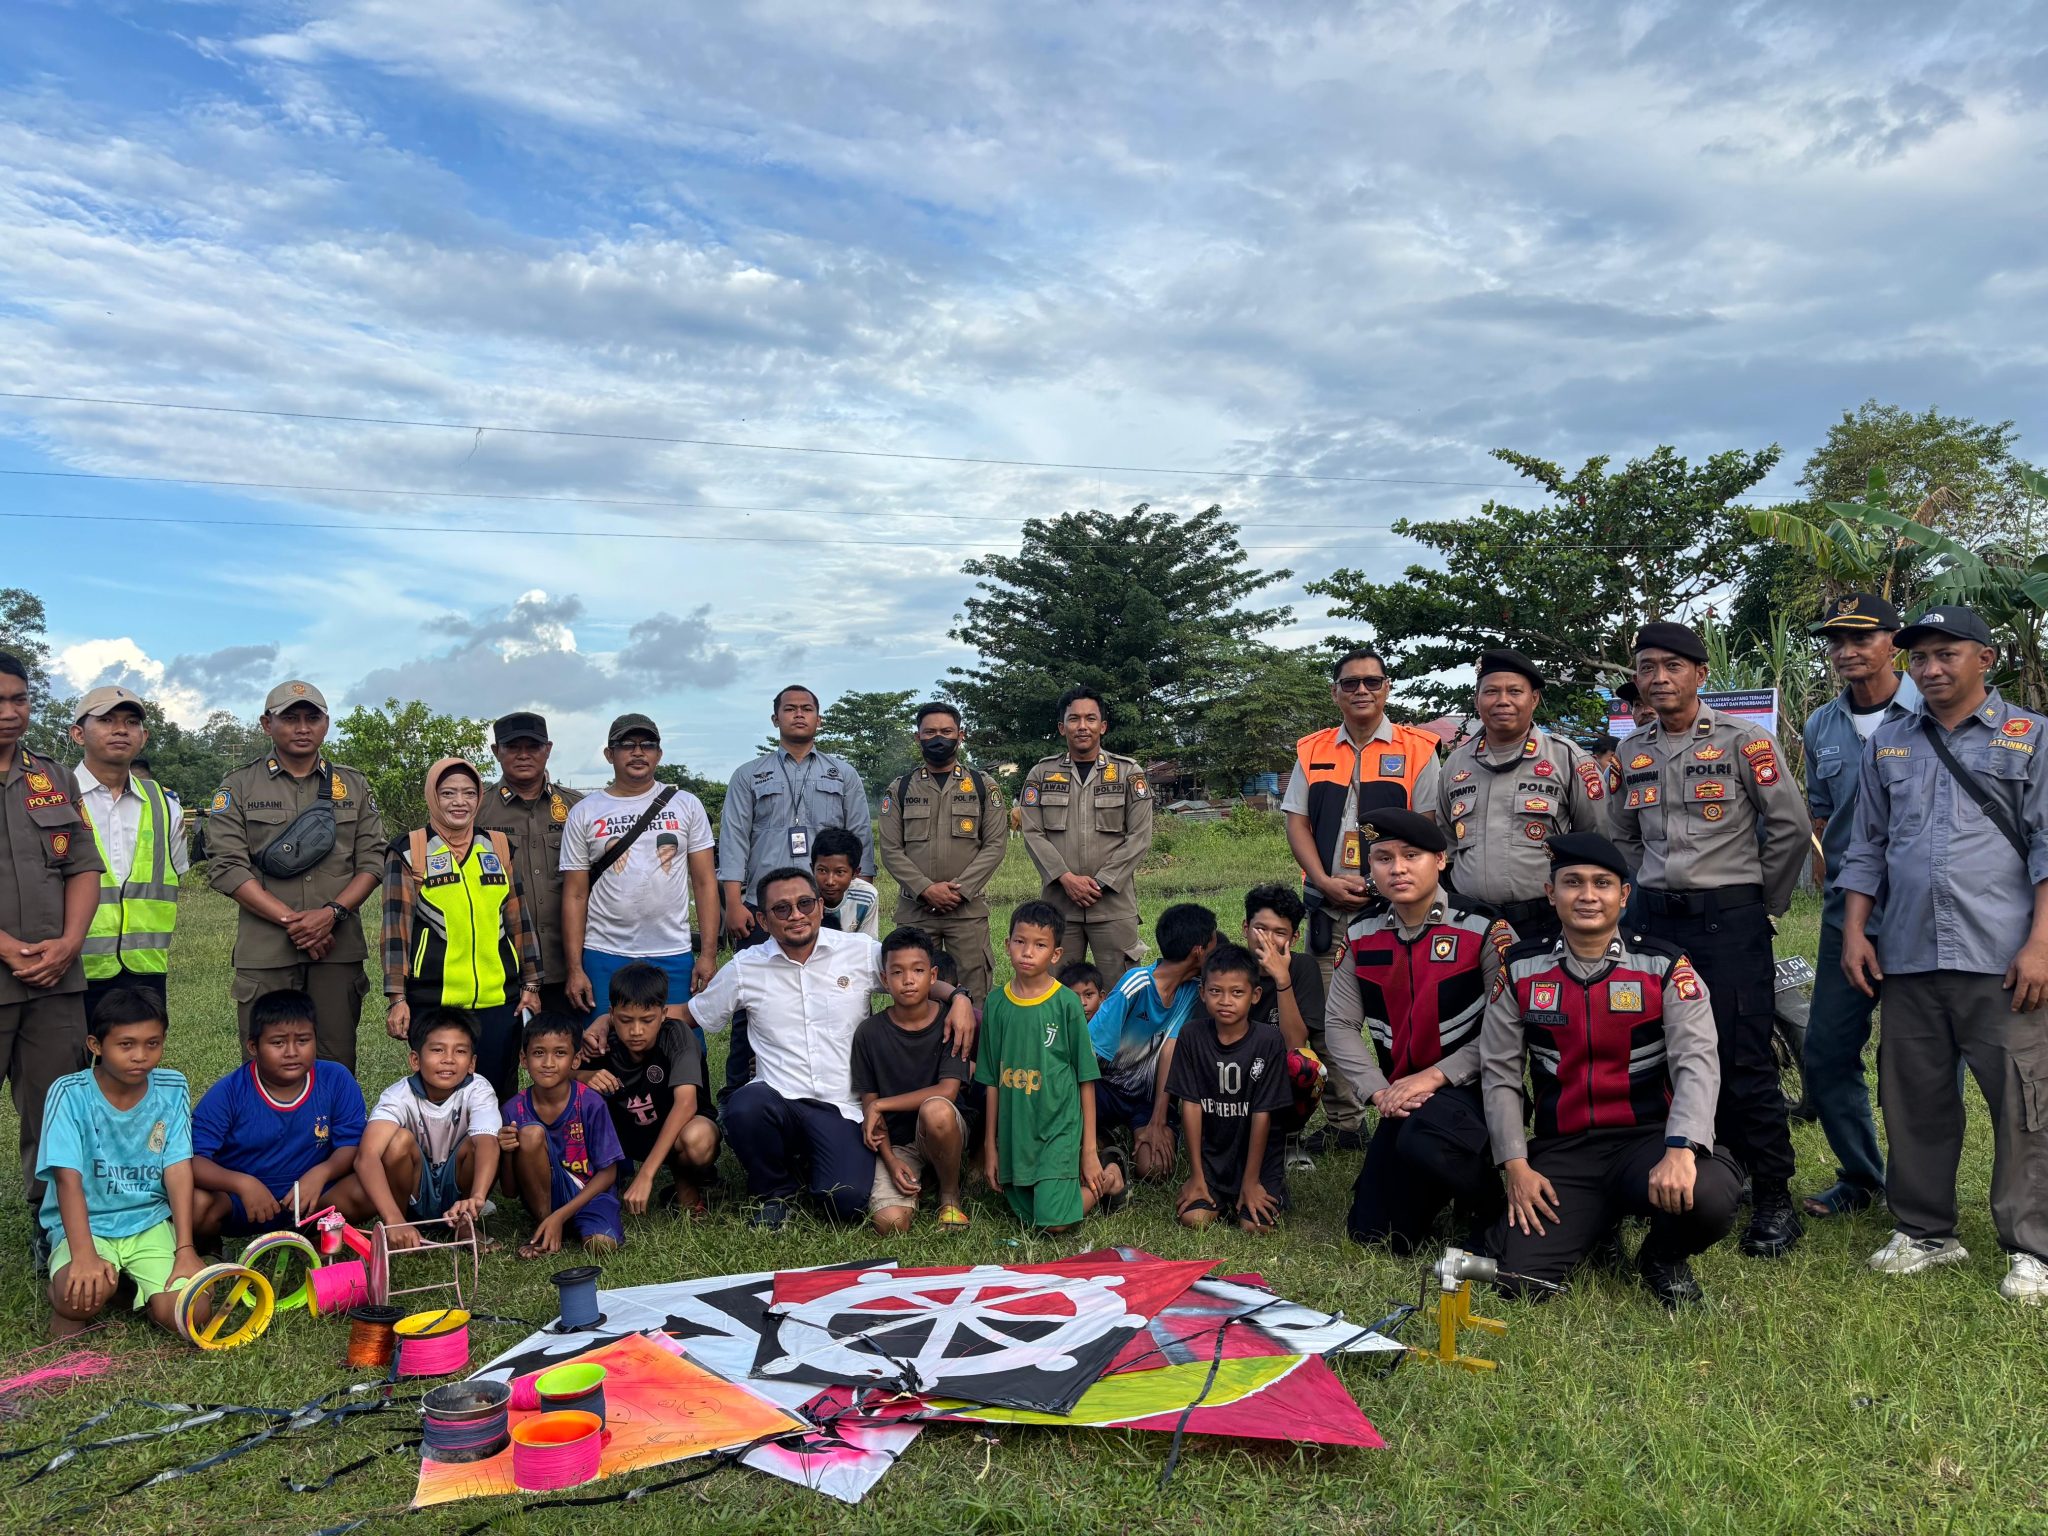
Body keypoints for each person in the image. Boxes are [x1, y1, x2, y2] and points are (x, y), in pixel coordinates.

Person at [1839, 605, 2048, 1303]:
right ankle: (1926, 1230)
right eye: (1920, 657)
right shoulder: (1890, 743)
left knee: (2024, 1105)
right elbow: (1867, 846)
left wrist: (2041, 944)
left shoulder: (2031, 738)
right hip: (1909, 954)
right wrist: (1854, 932)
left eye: (1946, 654)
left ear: (1985, 658)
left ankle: (2032, 1247)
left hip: (2004, 958)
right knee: (1915, 1100)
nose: (1930, 669)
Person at [1610, 622, 1809, 1259]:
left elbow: (1789, 826)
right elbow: (1621, 835)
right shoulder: (1630, 751)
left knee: (1743, 1058)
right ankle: (1714, 1170)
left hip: (1729, 922)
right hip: (1653, 924)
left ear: (1700, 674)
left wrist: (1762, 904)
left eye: (1673, 666)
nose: (1659, 678)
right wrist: (1637, 890)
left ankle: (1774, 1196)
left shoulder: (1744, 741)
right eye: (1647, 667)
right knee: (1665, 1052)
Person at [1482, 833, 1743, 1306]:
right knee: (1520, 1282)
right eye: (1572, 883)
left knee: (1710, 1192)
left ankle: (1662, 1257)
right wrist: (1515, 1165)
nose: (1587, 895)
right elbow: (1500, 1073)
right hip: (1565, 1150)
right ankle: (1596, 1224)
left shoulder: (1664, 965)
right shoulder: (1520, 969)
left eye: (1602, 884)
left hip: (1648, 1142)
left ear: (1624, 896)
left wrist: (1682, 1148)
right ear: (1550, 893)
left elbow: (1697, 1064)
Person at [684, 868, 977, 1230]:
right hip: (777, 1097)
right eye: (781, 909)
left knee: (846, 1201)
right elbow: (693, 1015)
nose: (796, 915)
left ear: (821, 907)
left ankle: (810, 1164)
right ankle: (775, 1193)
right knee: (745, 1107)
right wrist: (628, 1019)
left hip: (843, 1107)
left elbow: (907, 971)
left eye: (805, 904)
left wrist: (959, 998)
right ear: (763, 920)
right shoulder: (746, 967)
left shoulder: (858, 951)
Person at [1326, 810, 1513, 1254]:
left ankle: (1491, 1208)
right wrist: (1378, 1092)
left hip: (1473, 1090)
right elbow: (1339, 1024)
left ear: (1441, 860)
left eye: (1412, 856)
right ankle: (1441, 1185)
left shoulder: (1485, 928)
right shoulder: (1361, 933)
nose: (1398, 869)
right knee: (1377, 1235)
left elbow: (1507, 1031)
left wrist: (1431, 1078)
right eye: (1384, 858)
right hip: (1400, 1100)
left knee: (1425, 1141)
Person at [1284, 649, 1443, 1152]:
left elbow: (1428, 830)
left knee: (1406, 1017)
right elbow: (1297, 823)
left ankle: (1414, 1115)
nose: (1361, 691)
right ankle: (1346, 1123)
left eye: (1372, 682)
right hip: (1328, 906)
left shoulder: (1419, 749)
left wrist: (1380, 886)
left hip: (1398, 910)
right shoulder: (1311, 750)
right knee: (1330, 1018)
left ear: (1387, 688)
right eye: (1350, 683)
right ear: (1335, 692)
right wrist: (1324, 880)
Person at [1798, 593, 1920, 1220]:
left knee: (1920, 1058)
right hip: (1847, 912)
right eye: (1836, 641)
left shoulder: (1932, 708)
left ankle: (1919, 1189)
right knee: (1826, 1050)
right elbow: (1821, 813)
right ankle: (1861, 1176)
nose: (1845, 651)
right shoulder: (1821, 724)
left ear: (1894, 642)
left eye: (1861, 638)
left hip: (1925, 910)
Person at [206, 680, 385, 1073]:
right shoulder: (239, 785)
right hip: (266, 951)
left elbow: (373, 860)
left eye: (312, 718)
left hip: (337, 949)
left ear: (326, 724)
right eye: (290, 718)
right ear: (266, 724)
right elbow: (226, 865)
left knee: (335, 1062)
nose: (302, 727)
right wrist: (294, 922)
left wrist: (332, 914)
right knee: (266, 1065)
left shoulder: (353, 785)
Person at [717, 686, 873, 1097]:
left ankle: (843, 1089)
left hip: (827, 906)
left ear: (819, 719)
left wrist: (859, 899)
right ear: (776, 719)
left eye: (807, 709)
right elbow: (734, 839)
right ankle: (739, 1094)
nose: (798, 715)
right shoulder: (750, 775)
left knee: (836, 997)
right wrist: (733, 902)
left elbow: (860, 838)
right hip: (765, 908)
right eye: (790, 709)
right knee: (753, 1000)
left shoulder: (843, 774)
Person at [0, 652, 101, 1258]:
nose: (9, 712)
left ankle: (52, 1224)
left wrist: (69, 943)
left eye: (19, 699)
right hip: (9, 964)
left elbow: (83, 866)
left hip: (54, 980)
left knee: (55, 1107)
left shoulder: (54, 777)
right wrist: (7, 948)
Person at [38, 988, 206, 1337]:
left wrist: (186, 1249)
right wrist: (83, 1254)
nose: (140, 1056)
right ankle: (76, 1283)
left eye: (152, 1043)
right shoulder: (68, 1093)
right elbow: (68, 1180)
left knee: (192, 1314)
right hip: (90, 1224)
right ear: (96, 1045)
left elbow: (178, 1169)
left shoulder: (173, 1087)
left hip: (148, 1220)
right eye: (126, 1045)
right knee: (77, 1299)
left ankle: (131, 1289)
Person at [382, 758, 542, 1103]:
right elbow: (395, 930)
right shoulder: (410, 850)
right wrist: (397, 998)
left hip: (499, 1000)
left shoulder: (497, 847)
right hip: (435, 1001)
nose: (460, 802)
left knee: (497, 1093)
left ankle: (495, 1141)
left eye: (469, 793)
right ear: (432, 796)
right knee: (441, 1093)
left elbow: (519, 919)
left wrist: (531, 984)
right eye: (448, 793)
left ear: (479, 797)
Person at [560, 714, 719, 1034]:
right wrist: (575, 967)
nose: (637, 752)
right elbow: (575, 894)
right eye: (626, 745)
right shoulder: (585, 812)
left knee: (679, 1043)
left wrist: (708, 954)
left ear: (659, 754)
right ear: (609, 754)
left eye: (647, 744)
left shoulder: (687, 805)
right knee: (603, 1044)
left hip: (672, 951)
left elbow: (704, 883)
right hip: (604, 952)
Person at [978, 901, 1126, 1232]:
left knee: (1054, 1223)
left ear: (1056, 954)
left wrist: (1089, 1151)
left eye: (1040, 945)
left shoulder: (1066, 1003)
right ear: (1007, 944)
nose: (1027, 952)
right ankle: (1066, 1185)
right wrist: (991, 1145)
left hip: (1058, 1127)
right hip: (1017, 1132)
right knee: (1025, 1213)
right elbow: (990, 1080)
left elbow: (1086, 1078)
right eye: (1020, 941)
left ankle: (1110, 1175)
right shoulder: (996, 1004)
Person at [1439, 650, 1606, 945]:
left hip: (1544, 922)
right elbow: (1446, 843)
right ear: (1477, 701)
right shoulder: (1456, 764)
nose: (1502, 700)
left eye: (1515, 691)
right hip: (1470, 921)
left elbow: (1596, 838)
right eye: (1491, 692)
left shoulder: (1567, 759)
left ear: (1534, 699)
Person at [191, 988, 372, 1244]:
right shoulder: (228, 1092)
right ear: (253, 1046)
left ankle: (313, 1235)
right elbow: (193, 1160)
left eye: (303, 1040)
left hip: (315, 1198)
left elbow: (351, 1145)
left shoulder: (336, 1079)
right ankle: (210, 1247)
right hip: (242, 1204)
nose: (291, 1052)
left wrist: (322, 1172)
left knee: (373, 1184)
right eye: (278, 1043)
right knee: (195, 1204)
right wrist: (242, 1184)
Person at [1017, 688, 1154, 990]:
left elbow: (1140, 836)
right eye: (1074, 719)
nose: (1082, 726)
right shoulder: (1041, 773)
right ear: (1061, 727)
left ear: (1102, 726)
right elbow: (1033, 833)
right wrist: (1066, 879)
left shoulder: (1128, 772)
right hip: (1059, 907)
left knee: (1122, 992)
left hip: (1113, 906)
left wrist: (1101, 883)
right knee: (1056, 992)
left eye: (1090, 719)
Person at [69, 685, 186, 1022]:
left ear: (144, 737)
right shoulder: (54, 798)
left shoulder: (166, 805)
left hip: (146, 971)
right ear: (78, 734)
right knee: (72, 1056)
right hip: (70, 968)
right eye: (106, 720)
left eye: (131, 722)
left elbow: (176, 871)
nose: (120, 729)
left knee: (137, 1056)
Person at [876, 703, 1008, 1000]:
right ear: (917, 737)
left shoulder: (982, 785)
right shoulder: (900, 789)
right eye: (930, 732)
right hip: (916, 911)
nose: (938, 738)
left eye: (947, 731)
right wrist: (925, 889)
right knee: (914, 993)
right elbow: (891, 850)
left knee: (974, 993)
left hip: (967, 911)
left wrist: (960, 892)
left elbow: (995, 845)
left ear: (961, 735)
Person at [853, 926, 973, 1233]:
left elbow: (948, 1091)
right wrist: (890, 1160)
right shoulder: (869, 1033)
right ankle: (924, 1175)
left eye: (918, 971)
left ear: (933, 976)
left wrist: (881, 1104)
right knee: (890, 1223)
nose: (908, 980)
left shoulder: (951, 1021)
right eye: (897, 972)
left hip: (944, 1127)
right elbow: (871, 1109)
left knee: (935, 1109)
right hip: (897, 1143)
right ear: (884, 980)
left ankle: (949, 1194)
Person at [1087, 902, 1216, 1180]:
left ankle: (1114, 1140)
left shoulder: (1192, 991)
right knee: (1076, 1136)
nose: (1218, 951)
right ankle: (1103, 1139)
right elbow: (1089, 1052)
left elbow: (1170, 1049)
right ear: (1198, 951)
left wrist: (1158, 1120)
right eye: (1214, 943)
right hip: (1104, 1088)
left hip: (1146, 1098)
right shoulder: (1136, 984)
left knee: (1154, 1169)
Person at [581, 962, 720, 1218]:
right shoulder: (600, 1041)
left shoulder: (677, 1036)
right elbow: (554, 1076)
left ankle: (685, 1184)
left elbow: (686, 1104)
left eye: (647, 1020)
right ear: (611, 1015)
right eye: (625, 1020)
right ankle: (595, 1185)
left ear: (664, 1014)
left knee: (699, 1139)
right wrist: (583, 1076)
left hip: (677, 1128)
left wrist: (646, 1174)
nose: (636, 1031)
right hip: (625, 1134)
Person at [1169, 944, 1291, 1234]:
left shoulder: (1269, 1041)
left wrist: (1251, 1182)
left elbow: (1262, 1113)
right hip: (1214, 1155)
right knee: (1193, 1219)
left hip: (1257, 1156)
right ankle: (1212, 1188)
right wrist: (1197, 1176)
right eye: (1215, 991)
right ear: (1202, 993)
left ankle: (1265, 1186)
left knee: (1255, 1226)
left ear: (1254, 995)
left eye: (1237, 992)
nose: (1225, 1001)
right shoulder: (1191, 1035)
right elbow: (1191, 1105)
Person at [356, 1008, 502, 1250]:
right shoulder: (398, 1095)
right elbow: (366, 1156)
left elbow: (487, 1142)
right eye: (437, 1050)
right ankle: (399, 1227)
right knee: (397, 1142)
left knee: (483, 1141)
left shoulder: (479, 1089)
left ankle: (465, 1222)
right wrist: (392, 1219)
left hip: (458, 1191)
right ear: (415, 1060)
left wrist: (477, 1197)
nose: (449, 1059)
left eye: (460, 1051)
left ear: (472, 1063)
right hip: (413, 1190)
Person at [477, 712, 584, 1017]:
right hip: (502, 966)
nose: (523, 755)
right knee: (503, 1048)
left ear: (548, 749)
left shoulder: (578, 807)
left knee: (567, 1047)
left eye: (533, 746)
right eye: (513, 747)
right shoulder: (478, 811)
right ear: (496, 751)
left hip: (568, 965)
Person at [500, 1013, 625, 1257]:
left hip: (591, 1196)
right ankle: (544, 1227)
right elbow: (509, 1191)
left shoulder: (590, 1102)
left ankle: (556, 1223)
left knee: (602, 1245)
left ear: (575, 1060)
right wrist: (506, 1153)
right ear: (524, 1059)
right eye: (539, 1053)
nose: (548, 1062)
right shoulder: (512, 1110)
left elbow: (609, 1173)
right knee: (530, 1133)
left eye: (559, 1053)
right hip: (545, 1198)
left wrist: (561, 1216)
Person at [814, 828, 881, 938]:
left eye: (839, 872)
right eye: (822, 870)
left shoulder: (866, 896)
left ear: (855, 873)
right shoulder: (802, 896)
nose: (830, 881)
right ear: (812, 868)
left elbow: (867, 944)